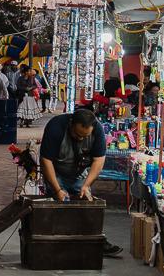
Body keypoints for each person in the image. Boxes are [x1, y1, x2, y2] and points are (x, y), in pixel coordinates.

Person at [38, 109, 123, 257]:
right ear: (71, 124)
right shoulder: (56, 127)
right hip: (56, 171)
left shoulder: (97, 130)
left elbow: (99, 160)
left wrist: (86, 185)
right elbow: (46, 161)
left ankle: (96, 242)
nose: (80, 139)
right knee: (60, 207)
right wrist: (57, 189)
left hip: (79, 172)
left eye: (85, 136)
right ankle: (57, 246)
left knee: (88, 204)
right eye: (77, 135)